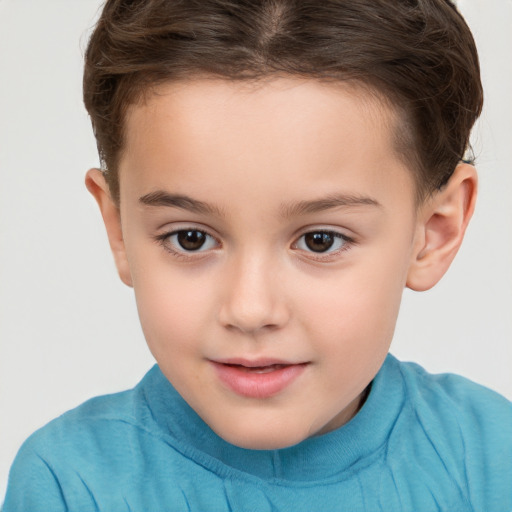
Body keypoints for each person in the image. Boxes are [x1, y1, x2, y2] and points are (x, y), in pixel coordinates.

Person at [3, 0, 511, 510]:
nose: (250, 309)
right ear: (118, 228)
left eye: (320, 240)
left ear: (434, 232)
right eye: (190, 238)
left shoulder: (491, 459)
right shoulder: (70, 485)